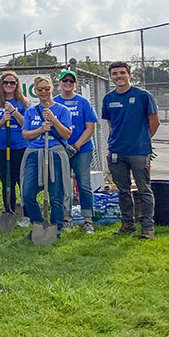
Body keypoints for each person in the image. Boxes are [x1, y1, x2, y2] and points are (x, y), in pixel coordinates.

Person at [101, 61, 159, 239]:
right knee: (123, 190)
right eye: (115, 74)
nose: (118, 76)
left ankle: (148, 227)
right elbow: (111, 123)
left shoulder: (143, 96)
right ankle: (127, 224)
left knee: (143, 190)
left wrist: (141, 140)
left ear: (129, 75)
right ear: (111, 77)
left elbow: (154, 121)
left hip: (139, 152)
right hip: (117, 151)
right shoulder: (108, 98)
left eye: (122, 73)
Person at [20, 75, 73, 238]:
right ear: (35, 91)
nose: (44, 92)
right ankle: (37, 223)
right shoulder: (30, 111)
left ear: (52, 89)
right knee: (27, 193)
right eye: (40, 89)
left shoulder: (62, 110)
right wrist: (40, 130)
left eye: (47, 88)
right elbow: (26, 135)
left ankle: (56, 226)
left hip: (55, 153)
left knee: (56, 193)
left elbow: (67, 134)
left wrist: (54, 120)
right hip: (34, 154)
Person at [53, 69, 98, 233]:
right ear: (59, 83)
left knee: (83, 183)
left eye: (71, 81)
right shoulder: (54, 102)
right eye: (65, 81)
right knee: (63, 184)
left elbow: (90, 128)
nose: (68, 84)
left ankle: (87, 220)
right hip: (60, 149)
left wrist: (77, 145)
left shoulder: (83, 102)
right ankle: (66, 218)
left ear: (75, 84)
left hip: (82, 149)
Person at [0, 70, 29, 224]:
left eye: (12, 82)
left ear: (17, 85)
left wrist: (14, 112)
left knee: (22, 181)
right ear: (1, 84)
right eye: (6, 82)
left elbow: (26, 124)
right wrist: (3, 120)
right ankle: (8, 211)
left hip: (20, 147)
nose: (9, 85)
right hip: (2, 147)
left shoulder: (22, 102)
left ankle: (26, 214)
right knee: (6, 181)